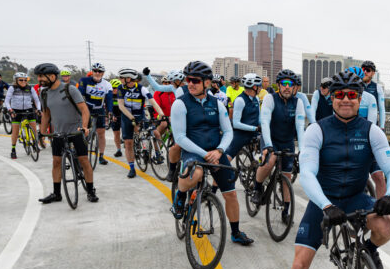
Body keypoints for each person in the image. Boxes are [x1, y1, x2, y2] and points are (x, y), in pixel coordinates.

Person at [272, 69, 390, 269]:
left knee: (386, 226)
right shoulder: (317, 130)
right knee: (298, 265)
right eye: (339, 94)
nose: (345, 99)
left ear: (359, 98)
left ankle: (371, 250)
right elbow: (307, 173)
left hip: (355, 197)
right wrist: (326, 205)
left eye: (351, 95)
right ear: (331, 98)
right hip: (324, 201)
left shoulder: (371, 130)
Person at [169, 61, 253, 246]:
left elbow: (228, 131)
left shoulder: (218, 104)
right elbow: (180, 137)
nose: (190, 83)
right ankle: (181, 196)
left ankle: (236, 232)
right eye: (188, 80)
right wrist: (204, 154)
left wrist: (220, 150)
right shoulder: (180, 104)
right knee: (195, 173)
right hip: (194, 151)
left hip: (215, 150)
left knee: (231, 194)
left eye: (195, 80)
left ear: (207, 83)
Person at [35, 63, 99, 204]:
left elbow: (84, 110)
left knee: (83, 160)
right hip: (58, 133)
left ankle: (90, 190)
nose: (39, 79)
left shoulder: (69, 89)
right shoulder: (43, 93)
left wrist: (83, 127)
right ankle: (57, 194)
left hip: (75, 131)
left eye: (41, 76)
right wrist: (42, 132)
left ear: (52, 76)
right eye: (38, 77)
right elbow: (46, 114)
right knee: (56, 162)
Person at [251, 69, 306, 210]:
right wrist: (268, 146)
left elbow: (300, 127)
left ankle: (286, 210)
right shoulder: (270, 98)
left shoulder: (298, 102)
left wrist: (303, 150)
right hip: (271, 138)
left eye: (290, 84)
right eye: (284, 83)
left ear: (294, 87)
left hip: (287, 141)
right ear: (278, 85)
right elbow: (265, 122)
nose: (287, 86)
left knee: (286, 177)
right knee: (269, 162)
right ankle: (257, 188)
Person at [116, 68, 164, 179]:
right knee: (128, 143)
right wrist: (131, 118)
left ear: (129, 79)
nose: (120, 79)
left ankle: (157, 154)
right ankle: (132, 168)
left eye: (121, 78)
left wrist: (161, 113)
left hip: (140, 115)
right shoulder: (120, 88)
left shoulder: (141, 88)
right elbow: (121, 106)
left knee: (155, 133)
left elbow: (152, 101)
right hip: (127, 115)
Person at [360, 61, 388, 198]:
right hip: (355, 133)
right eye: (363, 69)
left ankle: (380, 208)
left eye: (369, 70)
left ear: (373, 73)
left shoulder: (377, 88)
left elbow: (382, 109)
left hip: (372, 131)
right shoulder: (353, 86)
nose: (366, 72)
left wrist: (381, 127)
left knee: (379, 175)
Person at [77, 62, 113, 167]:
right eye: (95, 71)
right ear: (92, 72)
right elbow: (81, 94)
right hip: (86, 108)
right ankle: (79, 154)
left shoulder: (107, 84)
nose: (97, 73)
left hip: (99, 109)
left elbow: (109, 100)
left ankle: (101, 156)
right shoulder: (84, 81)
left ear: (103, 73)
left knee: (101, 133)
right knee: (83, 131)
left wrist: (109, 112)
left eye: (100, 71)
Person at [4, 72, 41, 159]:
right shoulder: (12, 88)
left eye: (25, 80)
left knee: (34, 129)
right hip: (16, 111)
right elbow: (7, 100)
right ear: (16, 80)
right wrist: (10, 109)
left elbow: (36, 99)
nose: (24, 81)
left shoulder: (30, 88)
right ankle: (13, 149)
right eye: (21, 80)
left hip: (28, 109)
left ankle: (35, 144)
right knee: (15, 131)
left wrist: (38, 109)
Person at [109, 79, 123, 157]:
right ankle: (118, 150)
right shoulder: (109, 96)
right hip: (115, 116)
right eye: (112, 88)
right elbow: (108, 107)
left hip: (123, 115)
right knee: (116, 134)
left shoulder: (122, 95)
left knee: (126, 133)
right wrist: (111, 116)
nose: (114, 89)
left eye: (115, 88)